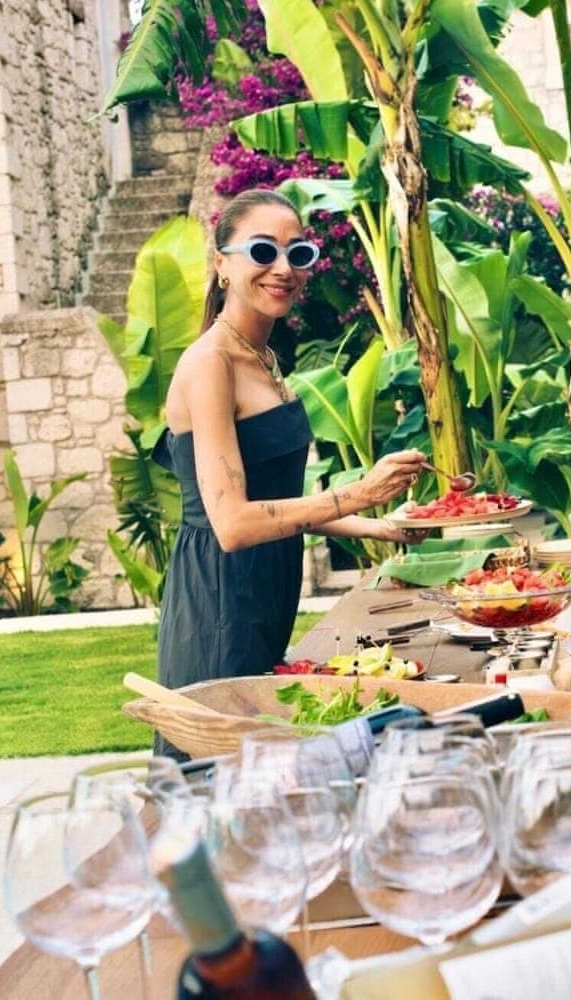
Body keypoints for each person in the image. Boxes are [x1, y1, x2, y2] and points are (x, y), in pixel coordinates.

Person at [153, 188, 426, 758]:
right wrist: (358, 493)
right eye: (262, 251)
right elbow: (233, 523)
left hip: (264, 591)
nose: (283, 268)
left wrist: (379, 525)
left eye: (297, 253)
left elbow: (275, 500)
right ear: (221, 264)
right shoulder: (210, 362)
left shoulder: (264, 357)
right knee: (221, 771)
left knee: (267, 770)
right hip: (221, 599)